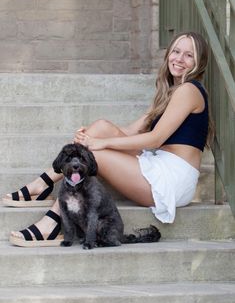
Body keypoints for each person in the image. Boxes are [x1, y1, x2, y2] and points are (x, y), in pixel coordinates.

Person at [2, 31, 213, 247]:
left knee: (92, 156)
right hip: (160, 164)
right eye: (176, 51)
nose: (179, 59)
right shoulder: (169, 90)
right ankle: (42, 184)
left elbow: (155, 139)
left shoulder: (189, 90)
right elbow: (132, 131)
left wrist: (99, 144)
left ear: (199, 62)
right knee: (101, 127)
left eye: (188, 55)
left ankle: (52, 221)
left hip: (173, 179)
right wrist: (90, 136)